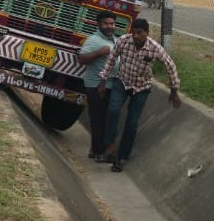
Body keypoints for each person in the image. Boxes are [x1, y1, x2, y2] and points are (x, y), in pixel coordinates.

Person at [97, 18, 182, 172]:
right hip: (122, 81)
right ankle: (109, 148)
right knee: (113, 110)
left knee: (132, 122)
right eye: (133, 32)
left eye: (139, 33)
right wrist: (103, 80)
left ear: (147, 33)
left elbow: (170, 66)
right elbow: (111, 59)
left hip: (142, 87)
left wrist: (174, 91)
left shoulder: (154, 48)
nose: (135, 36)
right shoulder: (123, 41)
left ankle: (121, 158)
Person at [78, 11, 119, 159]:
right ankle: (97, 150)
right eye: (106, 24)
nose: (110, 26)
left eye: (112, 24)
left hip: (111, 86)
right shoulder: (93, 40)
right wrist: (99, 53)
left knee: (107, 119)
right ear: (99, 24)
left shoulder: (115, 40)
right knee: (97, 118)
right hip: (95, 85)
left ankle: (100, 149)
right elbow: (82, 59)